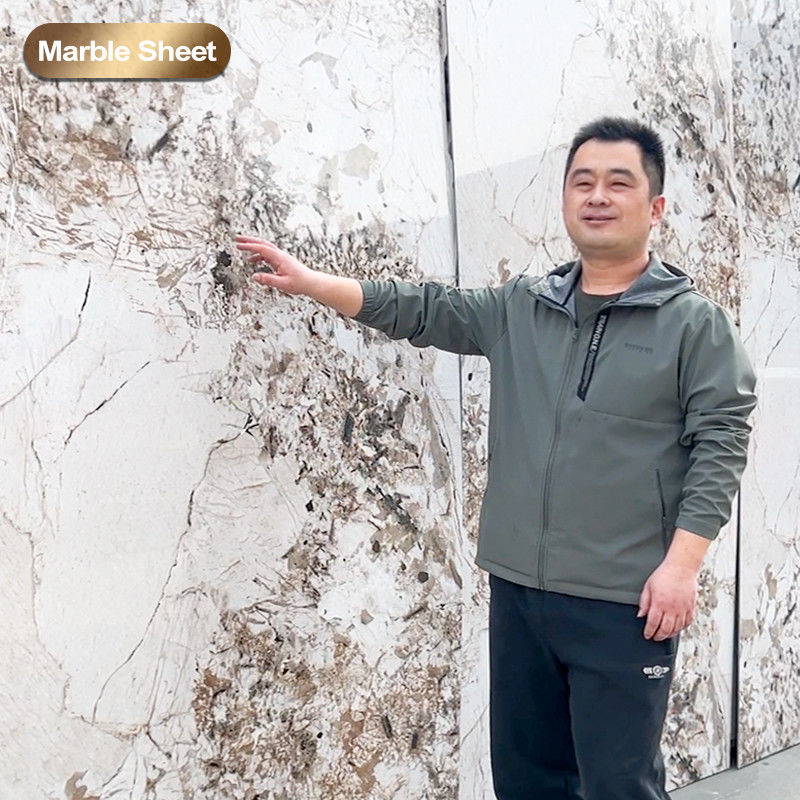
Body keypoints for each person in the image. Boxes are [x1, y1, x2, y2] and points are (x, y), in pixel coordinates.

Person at [234, 116, 757, 800]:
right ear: (565, 199)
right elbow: (425, 310)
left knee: (619, 784)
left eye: (618, 182)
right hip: (521, 595)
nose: (598, 196)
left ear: (655, 207)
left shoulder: (694, 325)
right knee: (527, 781)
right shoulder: (523, 308)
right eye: (582, 182)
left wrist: (681, 567)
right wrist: (315, 284)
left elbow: (721, 442)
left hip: (624, 600)